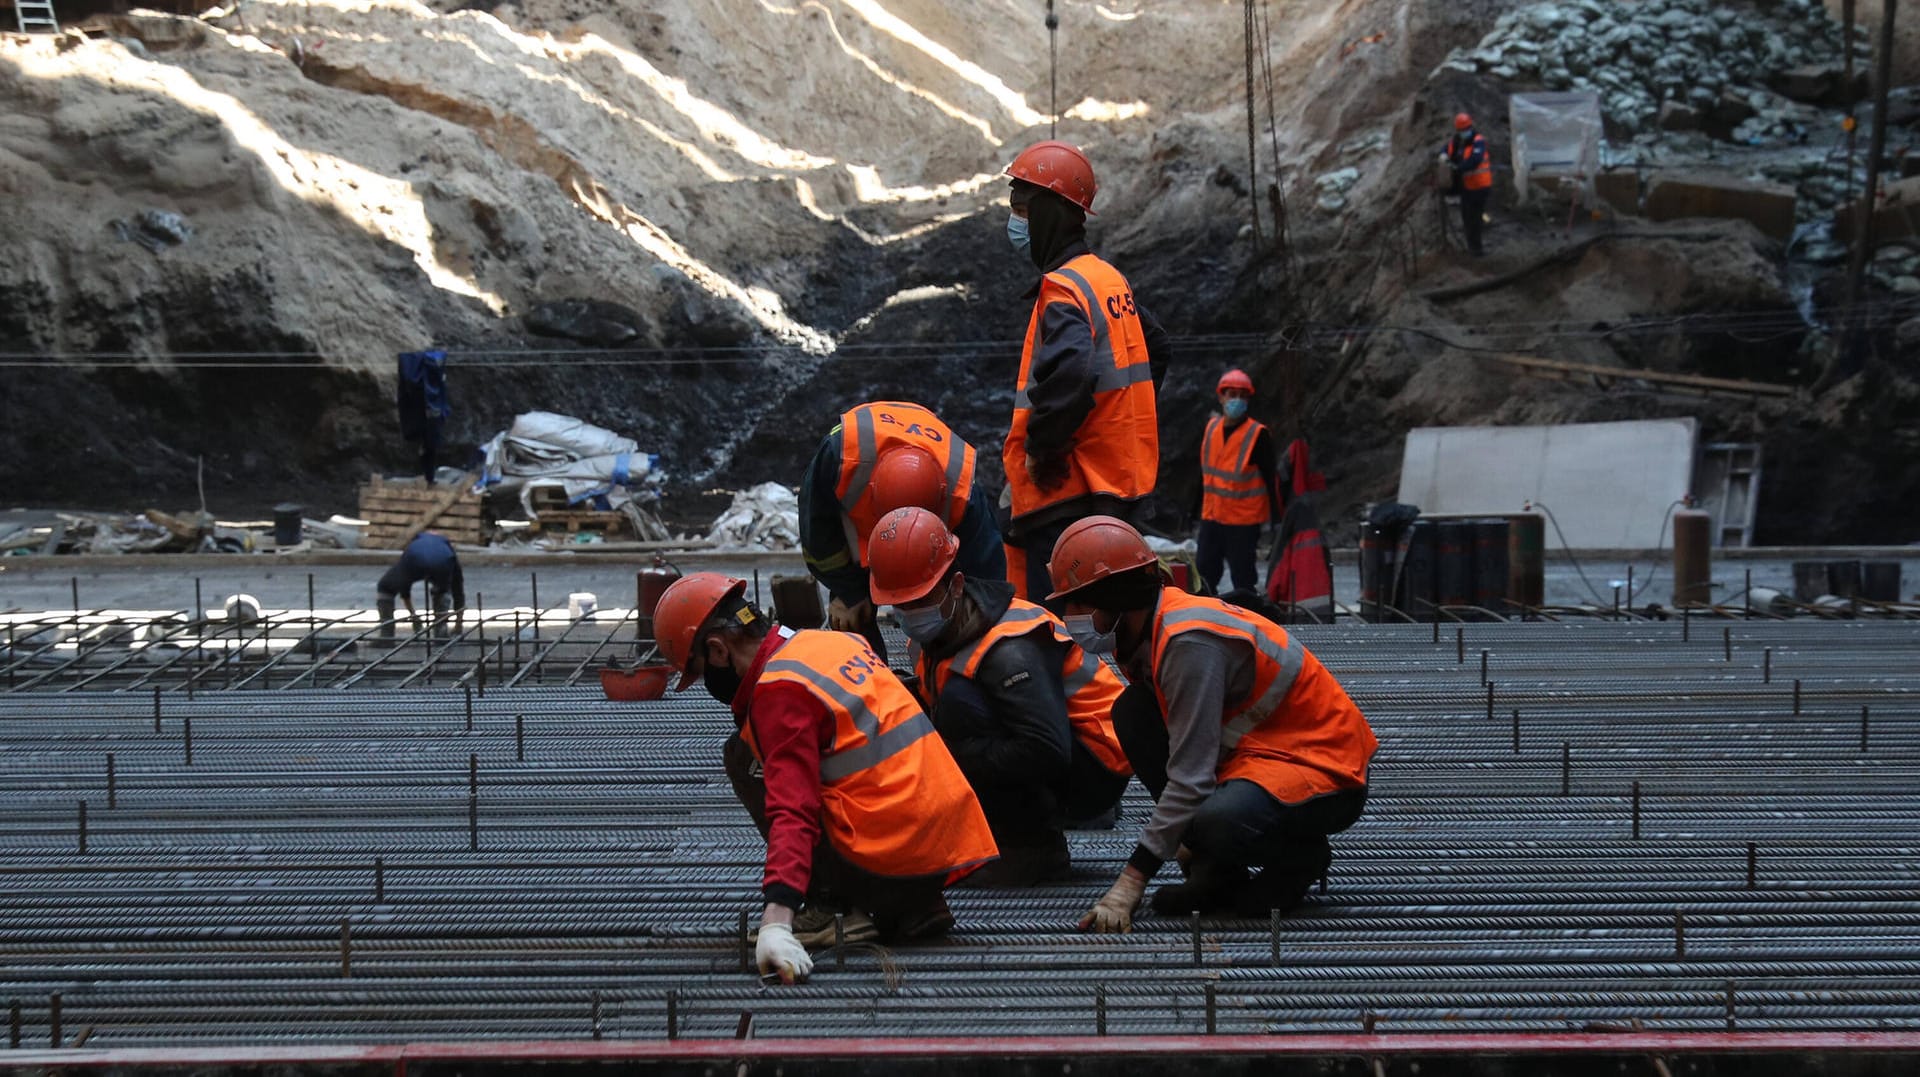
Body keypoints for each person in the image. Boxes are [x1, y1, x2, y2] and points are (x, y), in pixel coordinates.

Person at [652, 572, 998, 985]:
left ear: (717, 649)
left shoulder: (780, 691)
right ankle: (915, 906)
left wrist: (777, 916)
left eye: (698, 670)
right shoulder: (835, 642)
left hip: (892, 859)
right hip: (941, 848)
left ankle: (833, 905)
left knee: (742, 754)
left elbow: (793, 809)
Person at [1045, 516, 1378, 930]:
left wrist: (1130, 883)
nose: (1069, 616)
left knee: (1218, 823)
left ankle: (1301, 857)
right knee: (1132, 712)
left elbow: (1190, 778)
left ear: (1111, 599)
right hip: (1256, 753)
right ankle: (1217, 872)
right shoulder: (1144, 634)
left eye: (1076, 604)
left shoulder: (1188, 642)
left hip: (1321, 770)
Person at [866, 507, 1132, 885]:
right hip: (1054, 748)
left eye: (920, 600)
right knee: (947, 710)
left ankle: (1031, 849)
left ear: (956, 585)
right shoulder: (938, 632)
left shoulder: (1010, 649)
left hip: (1093, 770)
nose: (910, 613)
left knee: (959, 706)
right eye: (901, 604)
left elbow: (1045, 749)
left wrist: (951, 757)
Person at [999, 139, 1171, 608]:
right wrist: (1115, 424)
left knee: (1055, 635)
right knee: (1105, 628)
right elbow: (1156, 348)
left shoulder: (1063, 288)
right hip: (1115, 491)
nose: (1015, 221)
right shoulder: (1108, 279)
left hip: (1064, 497)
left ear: (1051, 212)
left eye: (1022, 207)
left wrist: (1045, 448)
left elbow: (1071, 372)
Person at [799, 401, 1005, 663]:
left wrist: (958, 629)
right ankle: (869, 676)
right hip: (857, 530)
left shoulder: (963, 495)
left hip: (930, 530)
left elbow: (988, 578)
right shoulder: (838, 461)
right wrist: (848, 592)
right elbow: (817, 534)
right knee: (851, 616)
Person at [1193, 368, 1282, 596]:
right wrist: (1193, 511)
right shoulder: (1211, 428)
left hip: (1243, 522)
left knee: (1243, 579)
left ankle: (1247, 623)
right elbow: (1203, 475)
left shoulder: (1257, 434)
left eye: (1242, 396)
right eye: (1232, 394)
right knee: (1204, 575)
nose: (1237, 400)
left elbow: (1272, 480)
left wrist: (1277, 520)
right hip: (1212, 518)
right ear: (1221, 396)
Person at [375, 530, 464, 639]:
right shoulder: (448, 548)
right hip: (442, 563)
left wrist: (414, 616)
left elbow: (404, 586)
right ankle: (440, 633)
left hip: (414, 559)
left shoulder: (414, 544)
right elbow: (458, 591)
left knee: (385, 587)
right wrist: (458, 625)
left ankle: (386, 637)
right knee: (442, 591)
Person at [1443, 112, 1493, 256]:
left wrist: (1458, 168)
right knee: (1466, 216)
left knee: (1475, 217)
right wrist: (1444, 155)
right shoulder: (1458, 141)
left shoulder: (1478, 141)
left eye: (1466, 128)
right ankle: (1472, 246)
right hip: (1467, 187)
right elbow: (1447, 149)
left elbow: (1474, 160)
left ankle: (1477, 249)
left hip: (1480, 186)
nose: (1464, 132)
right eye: (1462, 129)